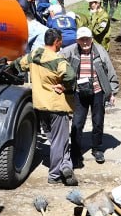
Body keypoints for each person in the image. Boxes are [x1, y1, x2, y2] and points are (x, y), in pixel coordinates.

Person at [16, 28, 78, 186]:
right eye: (61, 40)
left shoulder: (35, 54)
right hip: (56, 105)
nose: (61, 43)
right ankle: (55, 174)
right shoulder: (58, 60)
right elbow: (71, 76)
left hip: (40, 104)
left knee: (56, 140)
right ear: (56, 42)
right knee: (59, 141)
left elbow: (19, 64)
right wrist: (65, 87)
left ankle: (65, 165)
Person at [62, 27, 119, 166]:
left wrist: (112, 91)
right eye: (82, 39)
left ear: (92, 39)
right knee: (77, 123)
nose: (85, 42)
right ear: (77, 40)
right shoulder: (70, 50)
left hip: (97, 91)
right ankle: (75, 151)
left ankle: (97, 148)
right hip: (79, 93)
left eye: (87, 39)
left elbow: (110, 71)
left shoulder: (100, 51)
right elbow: (57, 60)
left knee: (98, 121)